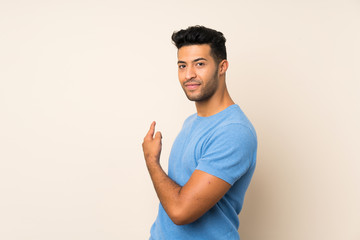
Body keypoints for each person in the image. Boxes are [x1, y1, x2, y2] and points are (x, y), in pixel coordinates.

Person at [142, 25, 257, 240]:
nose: (189, 75)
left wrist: (151, 160)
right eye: (182, 65)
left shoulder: (233, 132)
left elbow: (180, 211)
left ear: (222, 67)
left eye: (200, 64)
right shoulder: (192, 122)